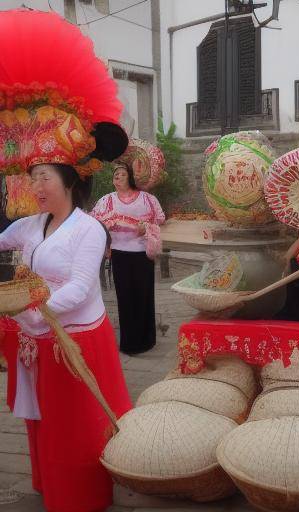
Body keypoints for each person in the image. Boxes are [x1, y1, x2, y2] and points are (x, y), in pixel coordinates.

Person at [0, 9, 132, 510]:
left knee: (75, 428)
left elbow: (80, 288)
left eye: (44, 179)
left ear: (70, 182)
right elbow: (3, 241)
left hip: (72, 341)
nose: (35, 187)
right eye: (31, 178)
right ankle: (45, 484)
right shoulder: (30, 226)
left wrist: (31, 307)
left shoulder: (90, 228)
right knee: (41, 423)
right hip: (35, 342)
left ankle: (79, 496)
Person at [92, 156, 165, 355]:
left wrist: (146, 227)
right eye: (116, 175)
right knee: (124, 296)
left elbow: (160, 220)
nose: (118, 177)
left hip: (142, 253)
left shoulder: (147, 199)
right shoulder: (106, 201)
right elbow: (95, 223)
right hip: (119, 253)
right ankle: (129, 343)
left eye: (123, 174)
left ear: (131, 177)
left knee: (144, 295)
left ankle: (147, 339)